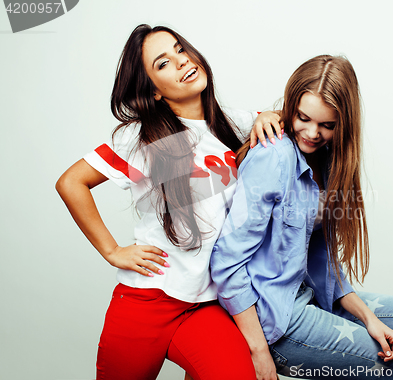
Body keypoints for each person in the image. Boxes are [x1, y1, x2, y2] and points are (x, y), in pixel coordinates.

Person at [56, 24, 281, 380]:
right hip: (147, 302)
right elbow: (71, 182)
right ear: (154, 91)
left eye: (180, 49)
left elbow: (282, 122)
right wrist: (112, 250)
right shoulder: (142, 138)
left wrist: (270, 115)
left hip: (205, 305)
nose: (182, 61)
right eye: (163, 63)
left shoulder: (231, 122)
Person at [211, 55, 393, 380]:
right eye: (303, 118)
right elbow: (225, 261)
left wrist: (368, 317)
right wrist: (257, 350)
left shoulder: (326, 161)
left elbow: (319, 256)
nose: (312, 133)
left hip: (303, 293)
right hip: (273, 316)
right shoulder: (274, 158)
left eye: (327, 125)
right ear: (291, 105)